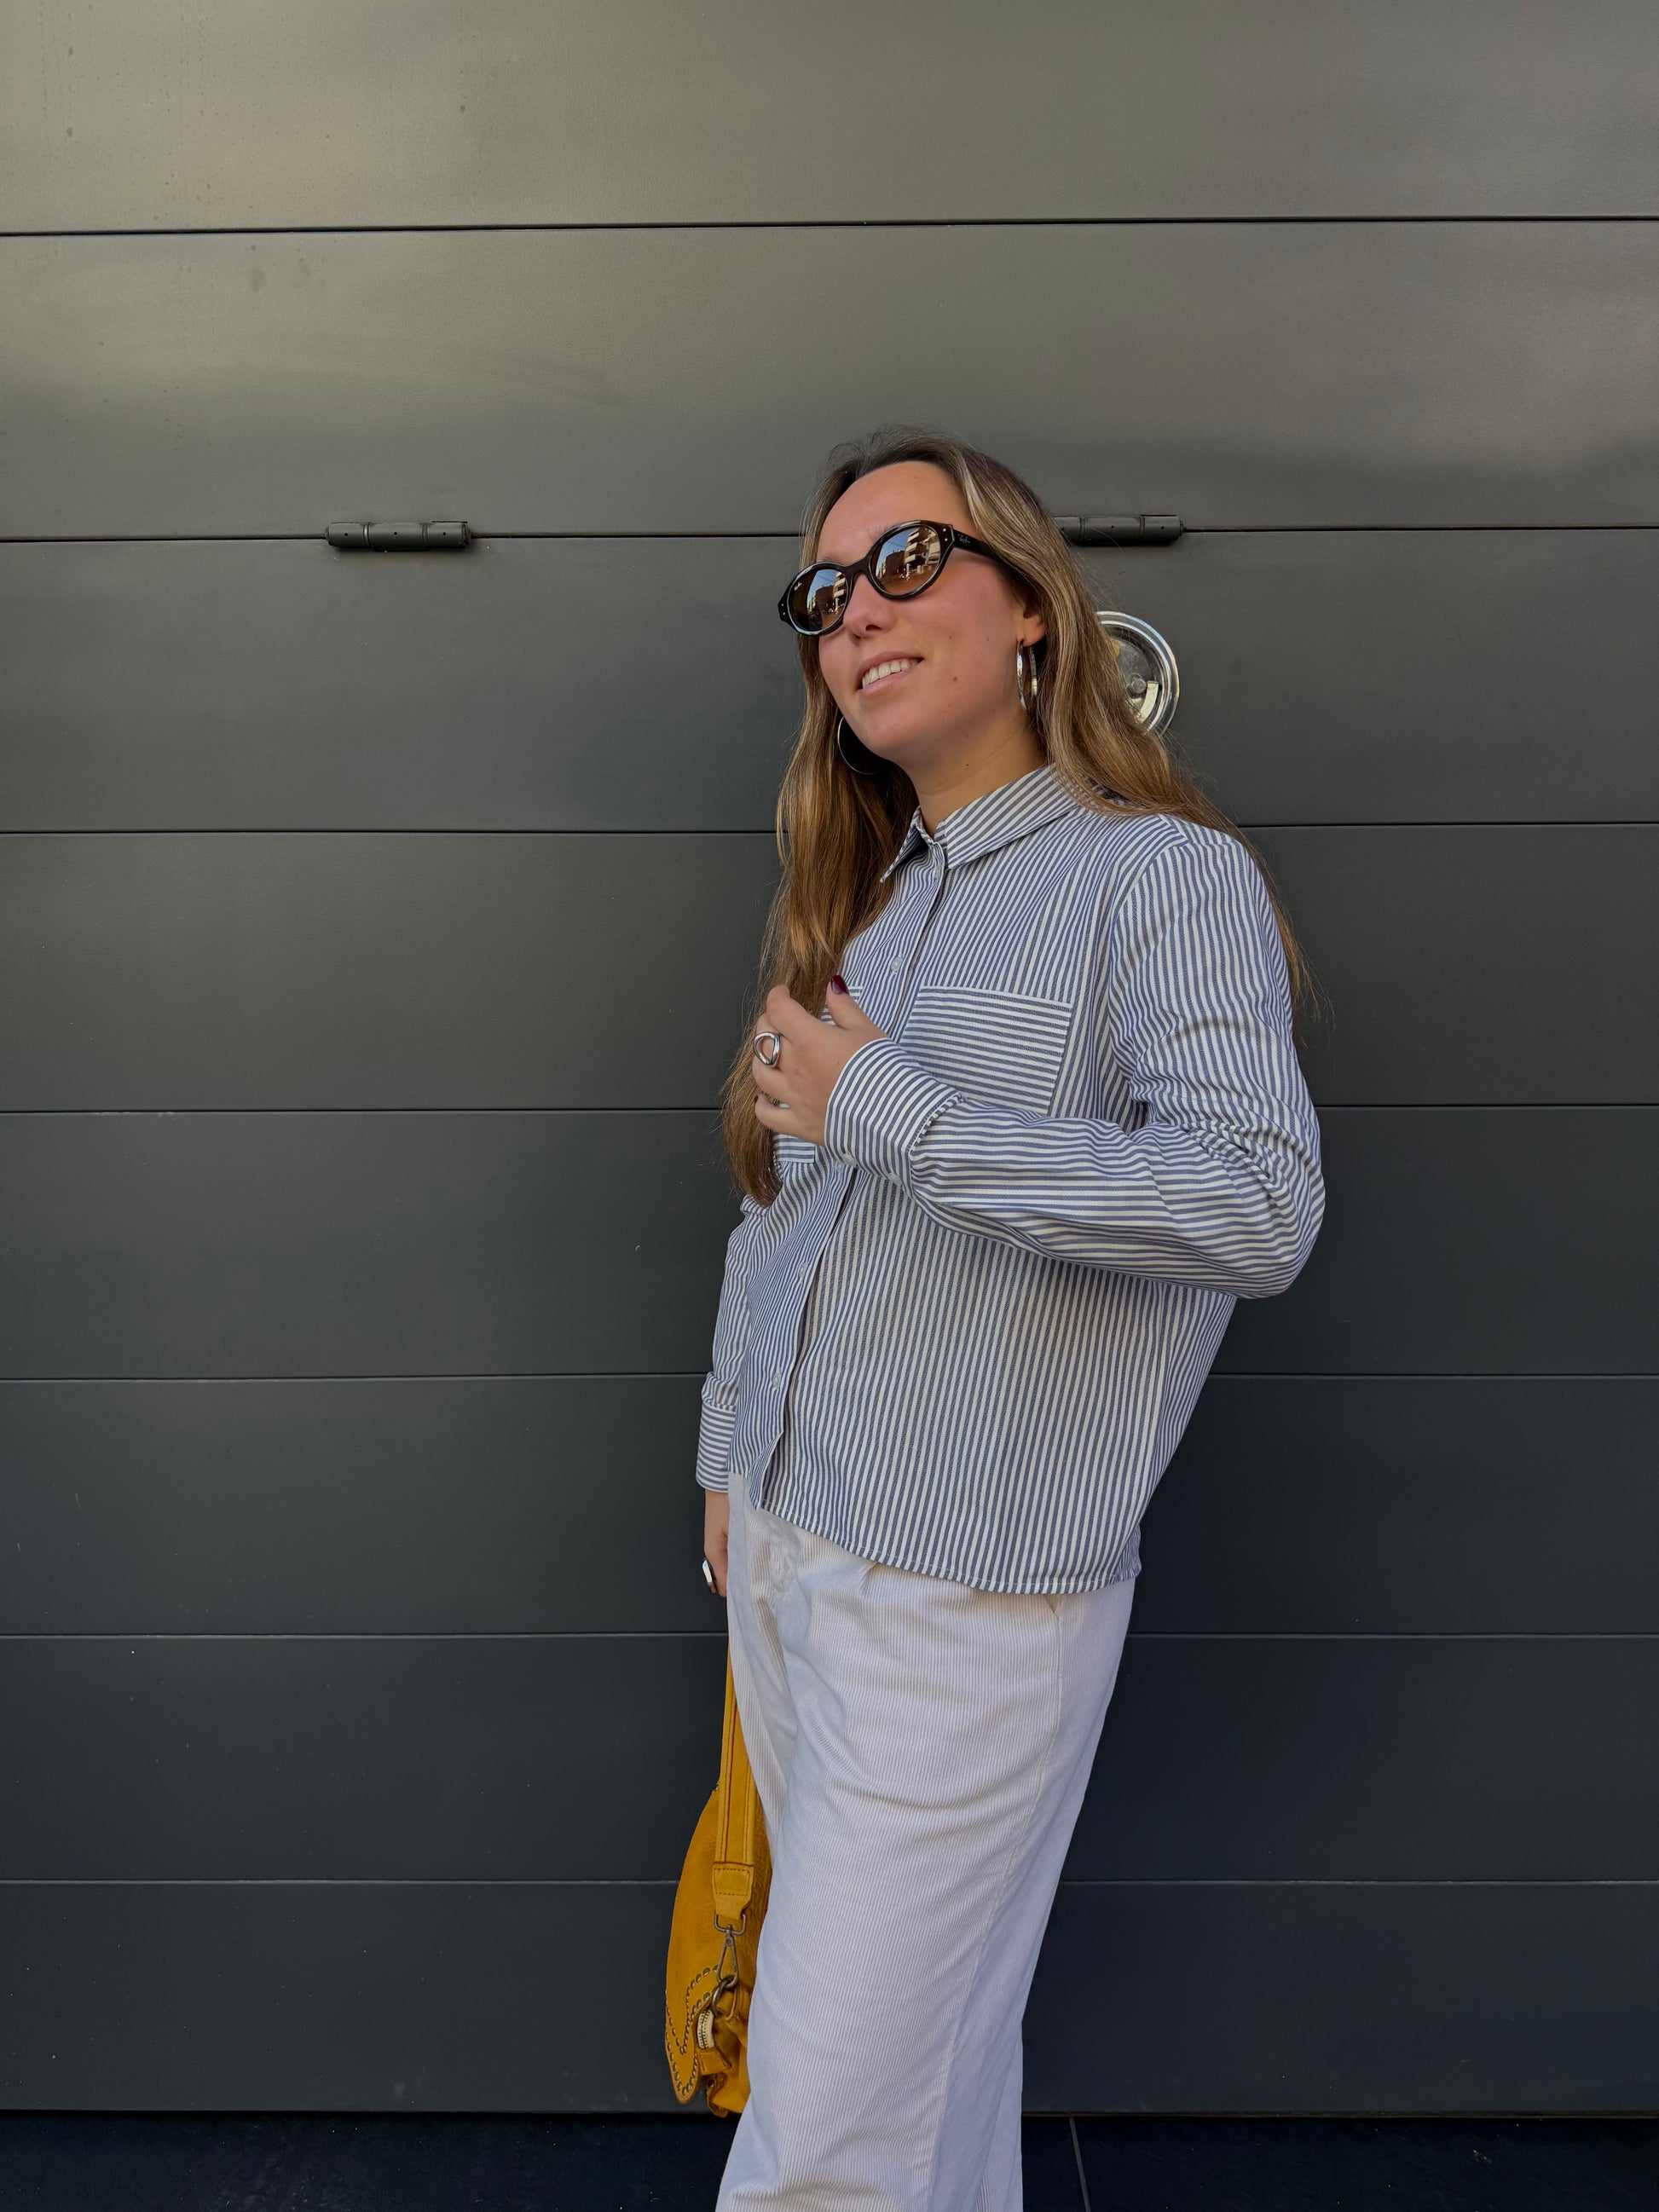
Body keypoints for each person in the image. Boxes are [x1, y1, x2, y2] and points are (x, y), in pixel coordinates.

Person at [695, 427, 1323, 2212]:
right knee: (918, 2094)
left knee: (828, 2142)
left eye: (905, 562)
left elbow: (1254, 1205)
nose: (854, 613)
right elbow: (780, 1214)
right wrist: (731, 1449)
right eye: (824, 592)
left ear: (1031, 605)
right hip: (794, 1560)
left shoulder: (1155, 877)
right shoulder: (874, 900)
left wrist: (886, 1102)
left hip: (963, 1601)